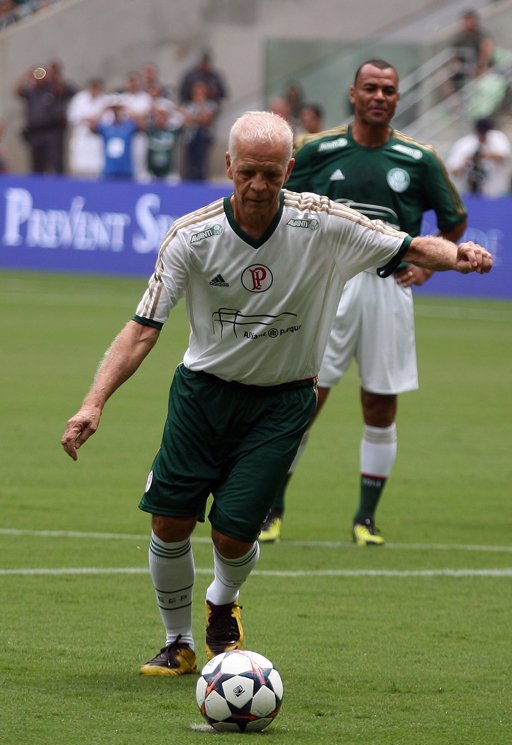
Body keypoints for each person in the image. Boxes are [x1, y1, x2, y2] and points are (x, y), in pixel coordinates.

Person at [60, 111, 491, 677]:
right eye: (248, 173)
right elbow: (143, 329)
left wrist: (458, 257)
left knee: (233, 534)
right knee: (168, 522)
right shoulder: (193, 235)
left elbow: (409, 245)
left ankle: (221, 602)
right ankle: (178, 642)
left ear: (290, 169)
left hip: (282, 402)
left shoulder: (325, 224)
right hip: (202, 396)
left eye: (271, 173)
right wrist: (94, 402)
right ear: (228, 166)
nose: (259, 186)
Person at [259, 59, 468, 546]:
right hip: (328, 288)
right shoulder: (316, 150)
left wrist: (426, 265)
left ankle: (366, 519)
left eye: (389, 90)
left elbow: (454, 222)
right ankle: (272, 510)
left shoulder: (419, 159)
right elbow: (278, 204)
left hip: (388, 290)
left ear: (397, 99)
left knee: (379, 404)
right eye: (370, 88)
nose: (379, 96)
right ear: (353, 94)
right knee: (303, 400)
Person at [14, 61, 76, 174]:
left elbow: (64, 90)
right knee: (37, 164)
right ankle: (37, 187)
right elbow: (17, 91)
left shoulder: (52, 89)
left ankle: (59, 186)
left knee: (56, 162)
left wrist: (53, 76)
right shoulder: (31, 90)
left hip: (52, 131)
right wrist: (26, 75)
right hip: (35, 132)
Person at [446, 117, 511, 198]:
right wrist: (466, 161)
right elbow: (453, 171)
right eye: (481, 133)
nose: (483, 136)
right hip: (468, 194)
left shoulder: (498, 138)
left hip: (494, 194)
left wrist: (482, 155)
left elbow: (503, 156)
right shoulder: (464, 144)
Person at [442, 10, 494, 99]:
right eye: (466, 20)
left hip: (480, 67)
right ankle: (454, 102)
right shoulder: (460, 37)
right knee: (443, 76)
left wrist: (481, 67)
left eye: (471, 20)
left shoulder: (481, 35)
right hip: (465, 68)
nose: (469, 23)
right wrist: (456, 64)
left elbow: (486, 51)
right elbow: (453, 54)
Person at [67, 77, 109, 178]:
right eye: (92, 87)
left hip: (97, 139)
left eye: (97, 88)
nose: (94, 90)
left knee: (97, 170)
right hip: (82, 138)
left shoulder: (105, 100)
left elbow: (108, 120)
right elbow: (71, 116)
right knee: (79, 169)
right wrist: (87, 119)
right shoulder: (79, 99)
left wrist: (96, 120)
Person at [180, 80, 218, 180]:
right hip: (190, 137)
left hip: (203, 136)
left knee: (201, 161)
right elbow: (185, 121)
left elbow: (206, 119)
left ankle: (201, 180)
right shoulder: (188, 105)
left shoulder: (210, 105)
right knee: (189, 162)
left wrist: (194, 116)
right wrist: (197, 118)